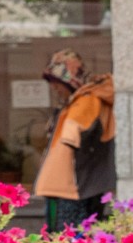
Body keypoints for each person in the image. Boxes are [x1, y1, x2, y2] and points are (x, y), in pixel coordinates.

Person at [31, 51, 115, 231]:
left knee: (67, 238)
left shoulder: (85, 101)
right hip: (71, 187)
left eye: (56, 81)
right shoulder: (78, 101)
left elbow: (71, 138)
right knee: (70, 238)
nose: (54, 87)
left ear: (69, 81)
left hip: (73, 189)